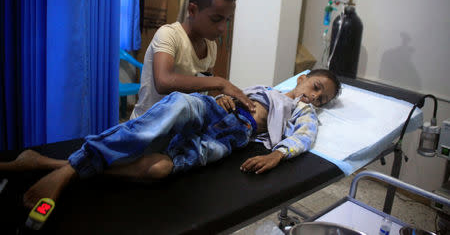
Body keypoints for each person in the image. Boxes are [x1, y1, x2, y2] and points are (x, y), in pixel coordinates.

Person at [0, 69, 341, 209]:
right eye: (315, 87)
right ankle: (69, 167)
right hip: (213, 111)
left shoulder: (302, 113)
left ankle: (51, 164)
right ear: (304, 77)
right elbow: (231, 94)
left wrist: (278, 155)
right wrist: (224, 97)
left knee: (159, 168)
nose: (314, 97)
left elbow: (305, 137)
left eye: (322, 98)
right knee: (178, 104)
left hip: (228, 138)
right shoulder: (266, 89)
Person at [131, 0, 255, 119]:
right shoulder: (169, 35)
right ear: (192, 10)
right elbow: (163, 81)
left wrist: (217, 98)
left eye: (227, 20)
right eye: (216, 19)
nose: (223, 28)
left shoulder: (211, 46)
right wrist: (219, 82)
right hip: (148, 127)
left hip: (178, 127)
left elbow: (200, 87)